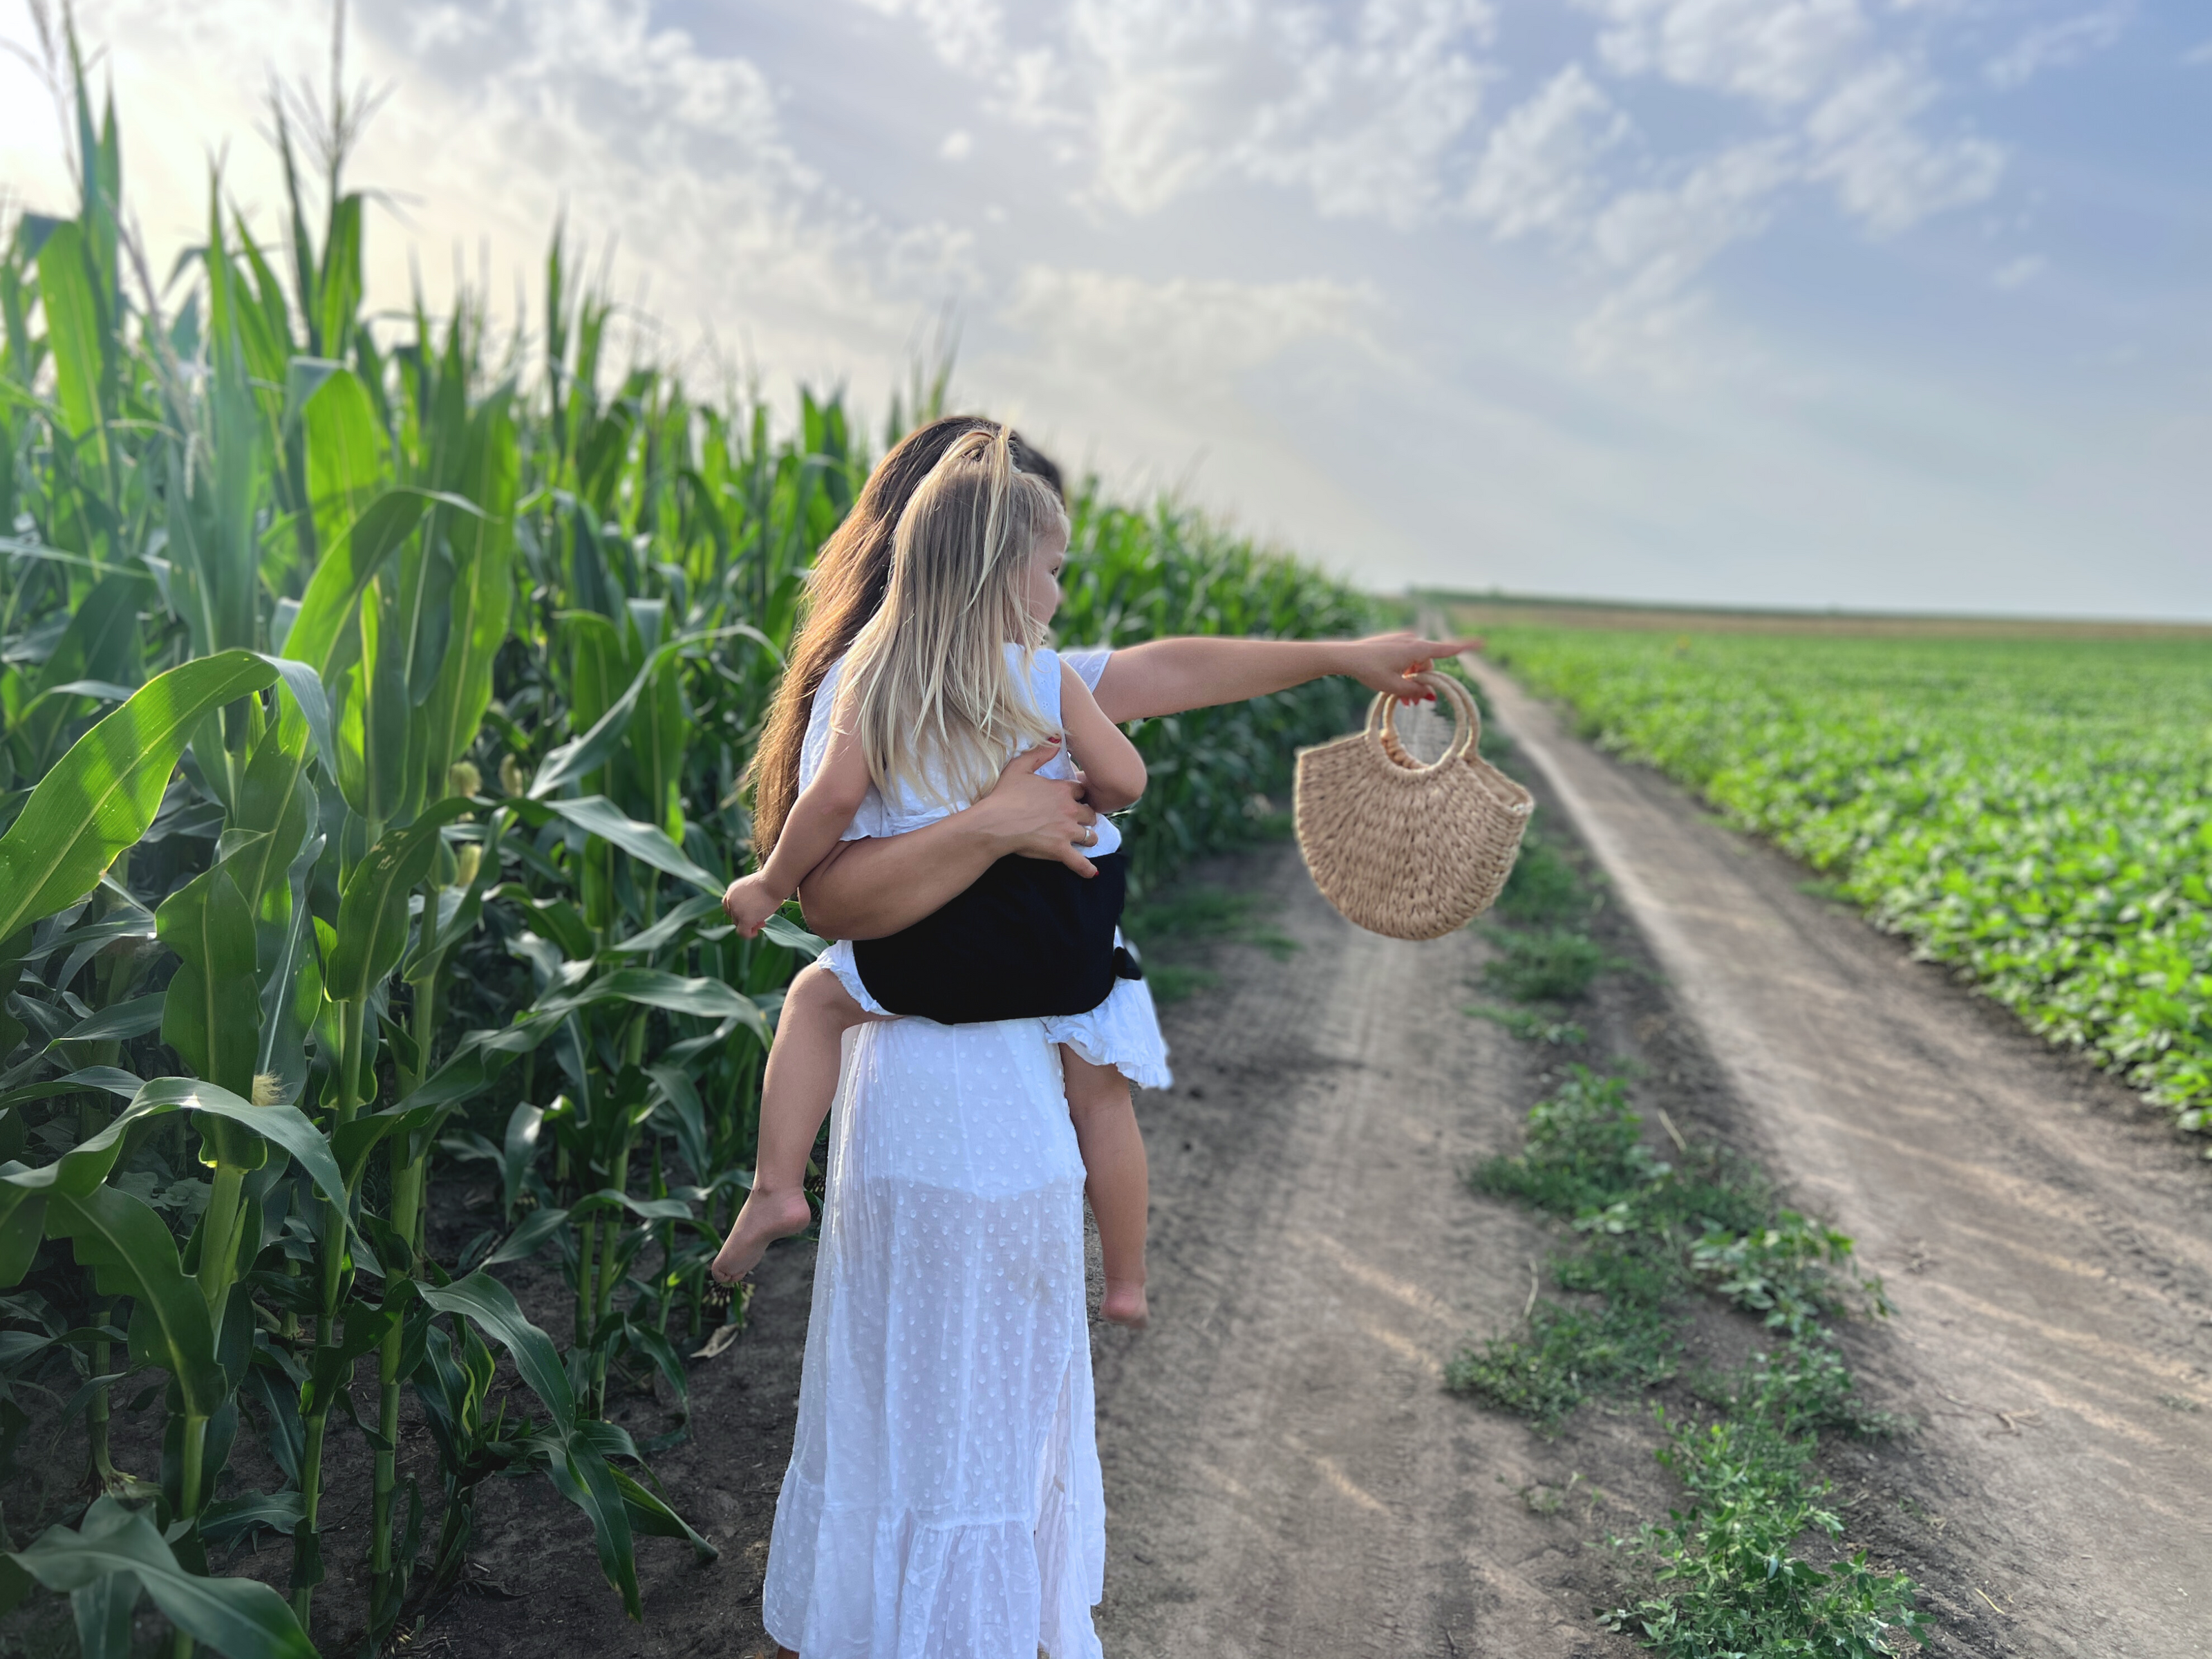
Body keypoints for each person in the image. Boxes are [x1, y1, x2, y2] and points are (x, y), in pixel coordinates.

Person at [715, 429, 1163, 1327]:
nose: (1059, 591)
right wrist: (1071, 785)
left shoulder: (877, 677)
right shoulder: (1043, 677)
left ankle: (774, 1187)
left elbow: (831, 803)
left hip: (944, 949)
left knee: (815, 1001)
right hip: (1058, 943)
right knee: (1101, 1096)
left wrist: (769, 884)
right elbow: (1126, 784)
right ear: (1004, 577)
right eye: (1051, 570)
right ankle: (1125, 1283)